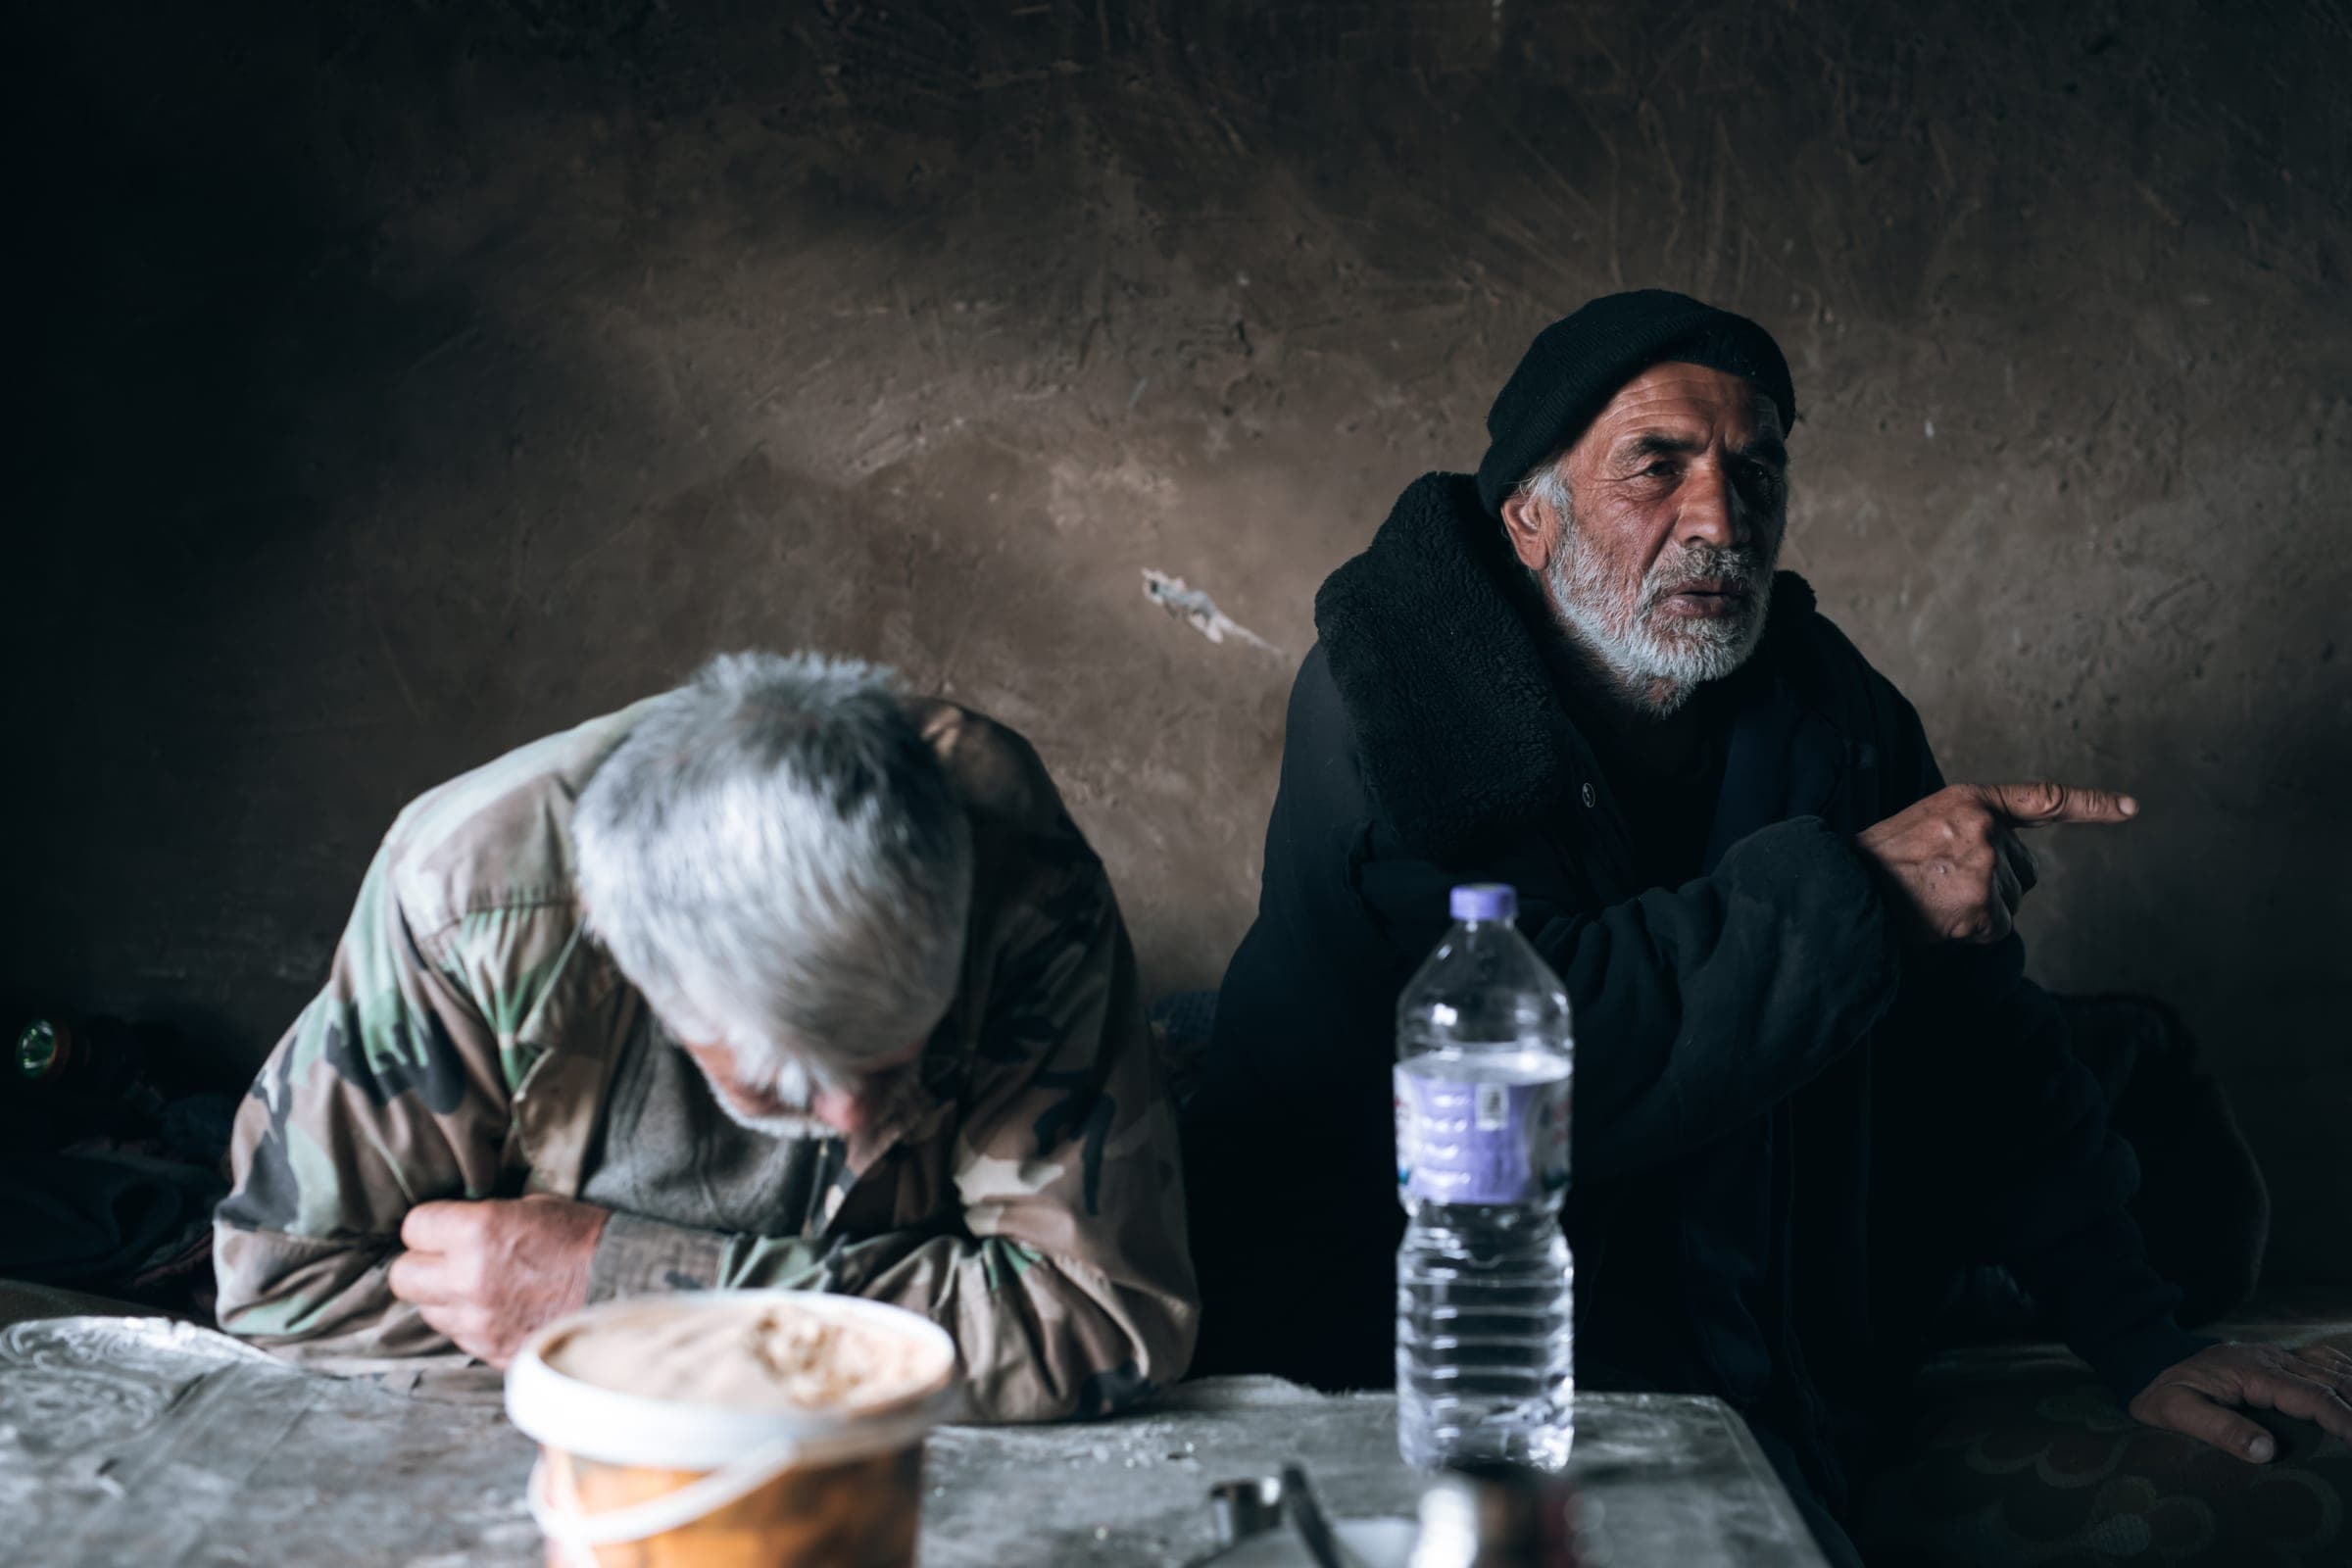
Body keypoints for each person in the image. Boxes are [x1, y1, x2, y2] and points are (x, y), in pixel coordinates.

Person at [1183, 290, 2352, 1558]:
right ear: (1530, 515)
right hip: (1409, 1339)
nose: (1718, 521)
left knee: (2132, 1111)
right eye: (1658, 467)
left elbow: (1981, 1043)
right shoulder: (1403, 705)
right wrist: (1860, 894)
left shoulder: (1831, 709)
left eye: (1755, 471)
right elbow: (1540, 1062)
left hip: (1748, 1314)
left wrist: (2140, 1340)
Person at [214, 651, 1196, 1421]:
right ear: (637, 962)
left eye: (895, 1049)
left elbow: (1098, 1317)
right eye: (791, 1080)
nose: (855, 1118)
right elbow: (288, 1284)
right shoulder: (473, 903)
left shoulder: (1011, 867)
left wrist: (634, 1302)